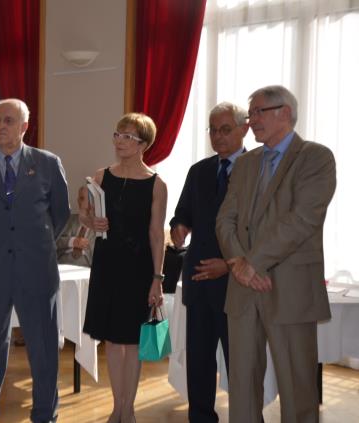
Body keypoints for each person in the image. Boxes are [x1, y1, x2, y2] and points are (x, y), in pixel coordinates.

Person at [216, 85, 336, 423]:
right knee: (241, 385)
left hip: (290, 289)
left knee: (297, 389)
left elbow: (302, 220)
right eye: (249, 114)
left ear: (284, 112)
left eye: (257, 113)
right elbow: (225, 219)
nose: (250, 121)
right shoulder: (245, 163)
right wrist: (239, 264)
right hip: (243, 290)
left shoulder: (315, 157)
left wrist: (252, 263)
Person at [0, 98, 70, 423]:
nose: (0, 126)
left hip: (37, 271)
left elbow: (59, 216)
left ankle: (44, 416)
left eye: (8, 120)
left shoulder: (48, 163)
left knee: (44, 351)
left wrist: (30, 242)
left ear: (24, 126)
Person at [81, 113, 167, 423]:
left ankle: (128, 409)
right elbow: (85, 218)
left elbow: (157, 235)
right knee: (113, 342)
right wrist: (92, 221)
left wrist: (157, 279)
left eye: (127, 136)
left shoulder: (157, 184)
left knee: (133, 342)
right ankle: (116, 406)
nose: (119, 140)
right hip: (106, 265)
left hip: (139, 268)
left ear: (144, 143)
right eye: (117, 134)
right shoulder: (101, 176)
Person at [170, 102, 248, 422]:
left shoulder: (256, 170)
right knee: (199, 362)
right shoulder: (199, 170)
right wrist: (179, 227)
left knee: (239, 363)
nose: (217, 136)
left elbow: (261, 231)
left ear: (244, 129)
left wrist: (228, 265)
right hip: (199, 280)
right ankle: (201, 417)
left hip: (237, 283)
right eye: (213, 130)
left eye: (225, 129)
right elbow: (183, 212)